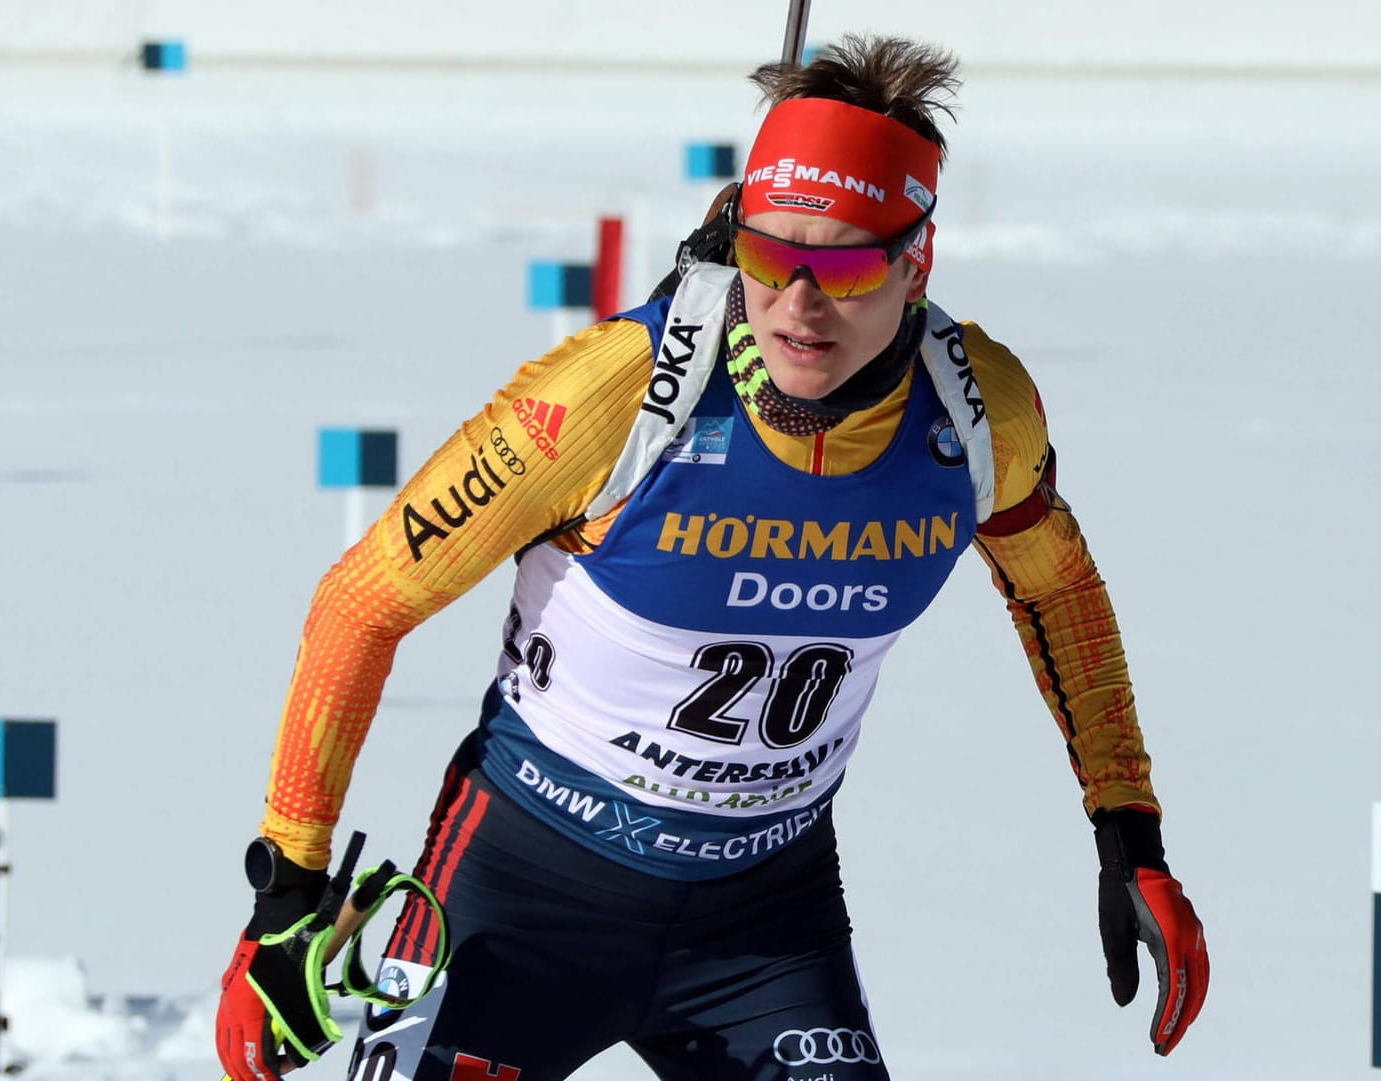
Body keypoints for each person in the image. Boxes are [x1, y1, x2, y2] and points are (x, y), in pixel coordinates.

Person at [215, 33, 1209, 1081]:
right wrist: (286, 891)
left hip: (763, 923)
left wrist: (1127, 830)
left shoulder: (977, 411)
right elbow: (362, 600)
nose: (798, 306)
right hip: (522, 898)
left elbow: (1059, 592)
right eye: (773, 256)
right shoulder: (619, 396)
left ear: (917, 263)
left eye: (846, 266)